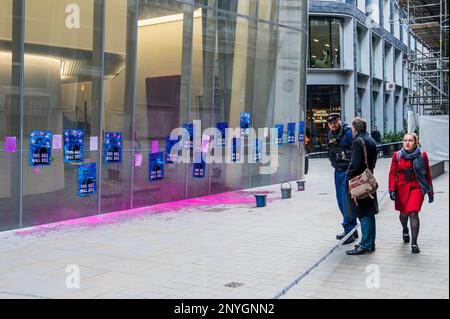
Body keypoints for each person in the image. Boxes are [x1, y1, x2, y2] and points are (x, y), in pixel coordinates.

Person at [388, 133, 434, 254]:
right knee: (403, 215)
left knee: (413, 213)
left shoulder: (422, 155)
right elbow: (392, 174)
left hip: (417, 187)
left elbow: (427, 174)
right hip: (401, 188)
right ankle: (404, 228)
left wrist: (430, 192)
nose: (407, 143)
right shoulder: (397, 156)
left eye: (410, 141)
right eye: (405, 141)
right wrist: (392, 189)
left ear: (415, 142)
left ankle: (414, 243)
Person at [345, 117, 378, 255]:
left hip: (360, 183)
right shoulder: (371, 140)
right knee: (369, 214)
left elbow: (355, 164)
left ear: (355, 129)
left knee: (363, 213)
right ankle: (370, 243)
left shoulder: (358, 141)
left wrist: (348, 178)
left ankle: (365, 245)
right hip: (368, 180)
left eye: (352, 129)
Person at [326, 113, 358, 244]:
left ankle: (349, 232)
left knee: (346, 202)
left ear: (339, 120)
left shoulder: (348, 132)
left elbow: (356, 150)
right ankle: (352, 229)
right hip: (337, 170)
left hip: (347, 171)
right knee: (341, 201)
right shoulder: (331, 134)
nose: (332, 124)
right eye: (330, 122)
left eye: (335, 121)